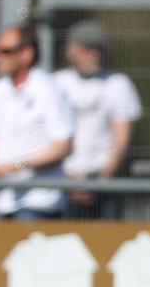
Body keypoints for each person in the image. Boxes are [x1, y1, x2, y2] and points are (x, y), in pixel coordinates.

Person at [0, 23, 74, 220]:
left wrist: (18, 166)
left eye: (5, 51)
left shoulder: (48, 90)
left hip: (39, 203)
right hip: (3, 201)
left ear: (26, 54)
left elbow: (64, 146)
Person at [54, 20, 141, 220]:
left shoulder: (118, 84)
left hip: (104, 183)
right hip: (62, 182)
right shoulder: (56, 84)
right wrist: (69, 182)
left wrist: (98, 182)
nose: (94, 55)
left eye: (98, 49)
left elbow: (121, 141)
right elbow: (48, 138)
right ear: (70, 50)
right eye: (87, 48)